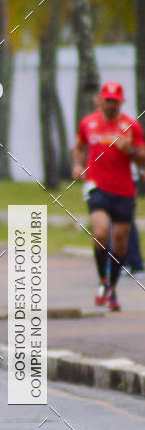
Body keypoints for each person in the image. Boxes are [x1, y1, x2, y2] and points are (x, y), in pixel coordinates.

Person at [72, 82, 145, 311]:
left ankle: (112, 287)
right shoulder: (88, 123)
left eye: (115, 101)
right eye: (107, 100)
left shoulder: (131, 126)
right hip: (98, 187)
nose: (111, 104)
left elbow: (143, 158)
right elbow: (79, 145)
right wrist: (77, 165)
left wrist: (130, 151)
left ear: (121, 102)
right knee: (101, 232)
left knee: (121, 244)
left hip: (124, 190)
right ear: (100, 101)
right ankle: (102, 281)